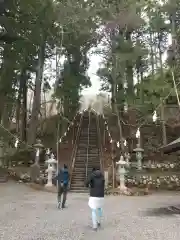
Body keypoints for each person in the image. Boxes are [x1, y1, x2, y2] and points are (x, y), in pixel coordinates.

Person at [86, 167, 105, 231]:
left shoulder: (92, 175)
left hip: (94, 195)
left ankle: (95, 226)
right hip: (101, 195)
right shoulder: (102, 176)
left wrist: (89, 185)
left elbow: (86, 183)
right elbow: (103, 184)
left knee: (93, 210)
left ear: (93, 171)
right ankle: (99, 222)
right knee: (99, 208)